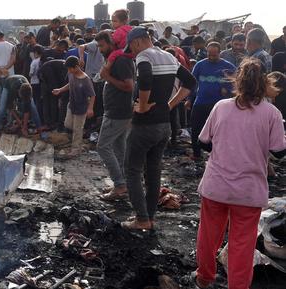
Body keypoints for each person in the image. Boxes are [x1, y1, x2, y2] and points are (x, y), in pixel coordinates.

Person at [195, 59, 286, 289]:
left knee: (208, 234)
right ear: (265, 84)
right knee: (241, 245)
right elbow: (279, 152)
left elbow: (204, 143)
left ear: (238, 81)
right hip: (248, 191)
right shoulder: (271, 113)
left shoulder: (221, 107)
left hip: (216, 187)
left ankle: (203, 278)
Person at [122, 27, 197, 230]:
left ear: (137, 42)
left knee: (132, 170)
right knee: (153, 171)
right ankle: (149, 217)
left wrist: (144, 105)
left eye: (133, 48)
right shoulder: (169, 56)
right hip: (164, 125)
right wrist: (170, 104)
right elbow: (191, 81)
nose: (134, 52)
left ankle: (142, 219)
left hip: (144, 126)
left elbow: (145, 78)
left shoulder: (144, 56)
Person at [92, 31, 135, 201]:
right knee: (119, 148)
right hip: (119, 111)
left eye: (102, 46)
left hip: (117, 112)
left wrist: (107, 77)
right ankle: (125, 183)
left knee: (102, 147)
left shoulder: (121, 61)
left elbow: (129, 86)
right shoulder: (117, 60)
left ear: (111, 43)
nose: (101, 50)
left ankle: (119, 185)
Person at [187, 42, 236, 160]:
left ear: (220, 53)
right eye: (209, 54)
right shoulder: (200, 65)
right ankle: (197, 153)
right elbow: (192, 83)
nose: (211, 57)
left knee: (218, 130)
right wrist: (189, 99)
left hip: (220, 104)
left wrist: (227, 89)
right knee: (196, 128)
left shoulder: (228, 66)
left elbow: (237, 82)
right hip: (201, 102)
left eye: (214, 55)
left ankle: (217, 155)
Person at [52, 56, 95, 156]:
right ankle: (80, 131)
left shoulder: (86, 80)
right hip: (71, 105)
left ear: (76, 67)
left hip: (81, 108)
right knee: (68, 124)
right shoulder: (71, 74)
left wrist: (90, 108)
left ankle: (76, 149)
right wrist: (60, 90)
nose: (68, 70)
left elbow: (92, 95)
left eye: (70, 68)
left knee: (76, 129)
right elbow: (69, 84)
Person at [39, 58, 67, 130]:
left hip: (44, 76)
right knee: (53, 100)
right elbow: (62, 80)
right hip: (47, 76)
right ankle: (51, 123)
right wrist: (60, 94)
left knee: (49, 102)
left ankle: (49, 122)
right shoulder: (66, 67)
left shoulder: (63, 64)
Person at [29, 45, 44, 122]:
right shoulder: (42, 60)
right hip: (41, 83)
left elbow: (31, 73)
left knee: (35, 101)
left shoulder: (34, 62)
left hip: (34, 83)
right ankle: (41, 118)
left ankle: (35, 118)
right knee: (40, 101)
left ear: (36, 53)